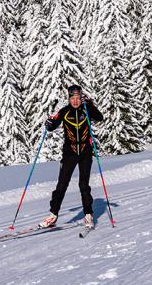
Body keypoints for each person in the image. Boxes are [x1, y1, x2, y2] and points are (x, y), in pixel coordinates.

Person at [39, 85, 104, 229]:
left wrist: (90, 104)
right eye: (72, 98)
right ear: (69, 99)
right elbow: (53, 124)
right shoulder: (65, 111)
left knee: (84, 185)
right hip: (70, 152)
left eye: (77, 98)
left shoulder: (86, 109)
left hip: (85, 151)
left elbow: (100, 117)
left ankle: (88, 214)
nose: (75, 101)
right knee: (62, 184)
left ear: (81, 98)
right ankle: (53, 215)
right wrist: (49, 124)